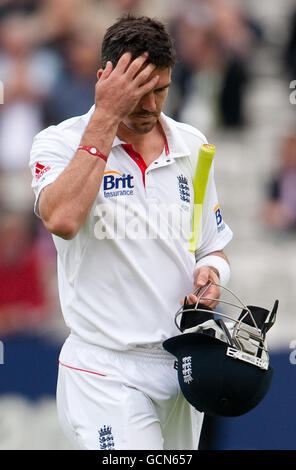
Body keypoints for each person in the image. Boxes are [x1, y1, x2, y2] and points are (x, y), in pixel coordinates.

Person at [29, 15, 233, 451]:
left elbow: (212, 247)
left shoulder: (192, 145)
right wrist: (105, 115)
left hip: (182, 365)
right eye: (138, 93)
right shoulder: (58, 143)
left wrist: (213, 276)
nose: (151, 106)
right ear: (105, 79)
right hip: (106, 368)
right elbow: (62, 219)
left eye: (160, 90)